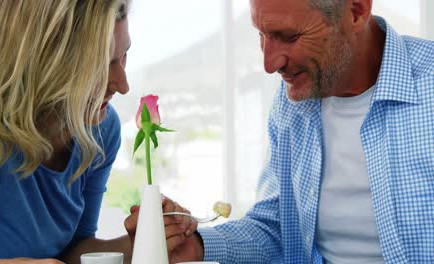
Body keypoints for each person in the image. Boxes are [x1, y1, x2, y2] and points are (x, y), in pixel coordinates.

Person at [167, 0, 434, 263]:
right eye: (262, 35)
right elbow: (275, 226)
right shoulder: (293, 99)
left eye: (288, 36)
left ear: (355, 11)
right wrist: (197, 246)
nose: (270, 64)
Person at [0, 0, 195, 263]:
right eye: (103, 64)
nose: (123, 85)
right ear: (47, 60)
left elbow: (74, 250)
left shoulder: (100, 132)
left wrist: (145, 241)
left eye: (124, 57)